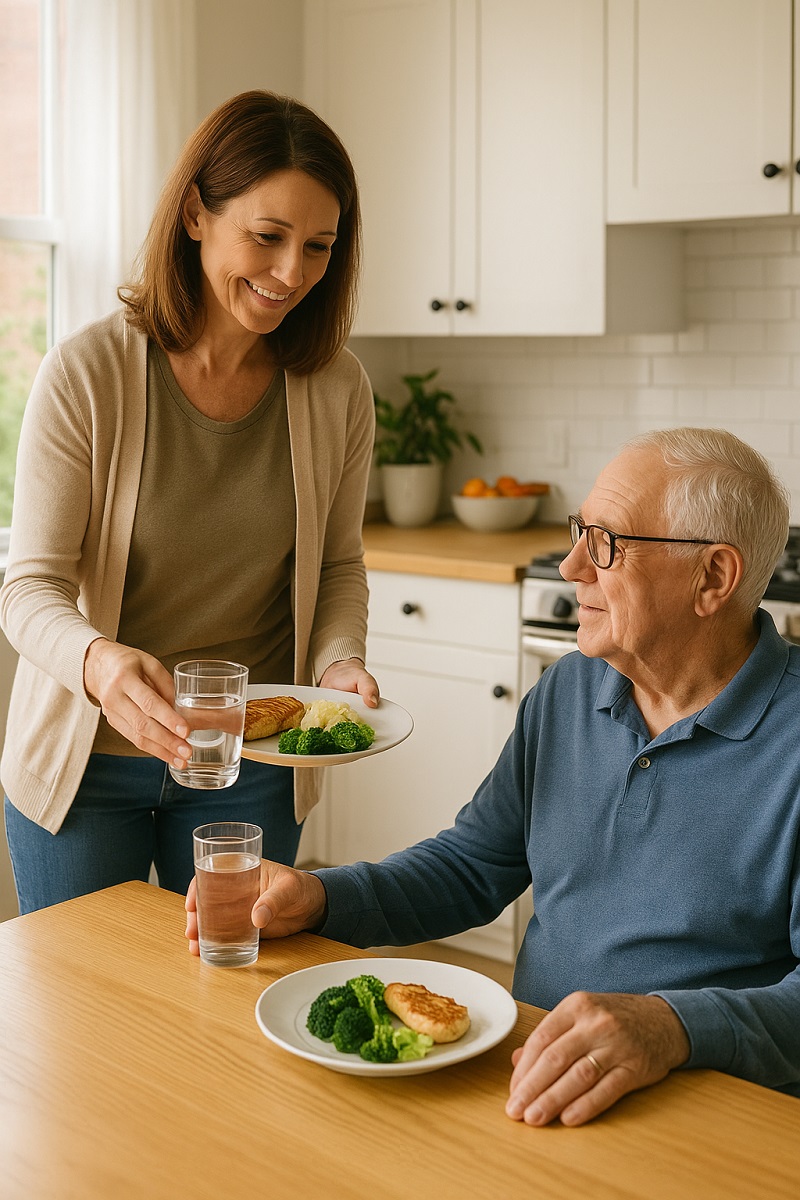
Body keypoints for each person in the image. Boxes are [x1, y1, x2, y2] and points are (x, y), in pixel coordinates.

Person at [186, 426, 800, 1124]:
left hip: (710, 1110)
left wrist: (670, 1028)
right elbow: (474, 866)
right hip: (533, 1079)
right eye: (579, 531)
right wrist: (321, 898)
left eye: (606, 543)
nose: (571, 566)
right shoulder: (570, 690)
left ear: (712, 577)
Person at [1, 90, 379, 915]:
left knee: (227, 985)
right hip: (87, 765)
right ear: (197, 214)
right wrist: (99, 664)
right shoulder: (86, 374)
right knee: (85, 995)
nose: (292, 274)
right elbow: (27, 587)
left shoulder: (338, 388)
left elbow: (339, 565)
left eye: (318, 247)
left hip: (252, 764)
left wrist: (337, 663)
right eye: (268, 236)